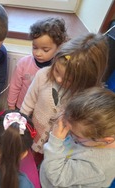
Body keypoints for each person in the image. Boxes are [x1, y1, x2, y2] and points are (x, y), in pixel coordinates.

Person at [20, 33, 108, 165]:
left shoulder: (86, 96)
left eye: (68, 80)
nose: (59, 79)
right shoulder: (43, 75)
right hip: (34, 133)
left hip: (60, 146)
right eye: (56, 71)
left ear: (84, 80)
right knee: (29, 161)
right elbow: (28, 102)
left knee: (46, 166)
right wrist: (20, 122)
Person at [40, 87, 115, 188]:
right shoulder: (87, 134)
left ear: (106, 140)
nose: (68, 134)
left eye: (75, 135)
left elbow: (57, 177)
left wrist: (55, 142)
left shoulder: (98, 166)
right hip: (49, 169)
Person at [7, 17, 68, 110]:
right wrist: (11, 106)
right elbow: (14, 86)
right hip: (21, 107)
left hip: (42, 111)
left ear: (58, 47)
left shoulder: (58, 69)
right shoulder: (23, 64)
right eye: (35, 47)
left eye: (45, 50)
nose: (38, 53)